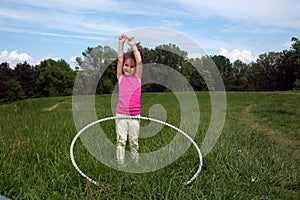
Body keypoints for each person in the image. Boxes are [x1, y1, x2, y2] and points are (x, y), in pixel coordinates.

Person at [116, 34, 144, 166]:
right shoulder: (120, 77)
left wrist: (133, 45)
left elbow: (139, 62)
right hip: (121, 115)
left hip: (134, 116)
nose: (128, 68)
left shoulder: (137, 78)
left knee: (134, 141)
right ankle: (120, 163)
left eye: (131, 66)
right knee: (121, 140)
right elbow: (120, 60)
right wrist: (121, 43)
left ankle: (135, 162)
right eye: (126, 65)